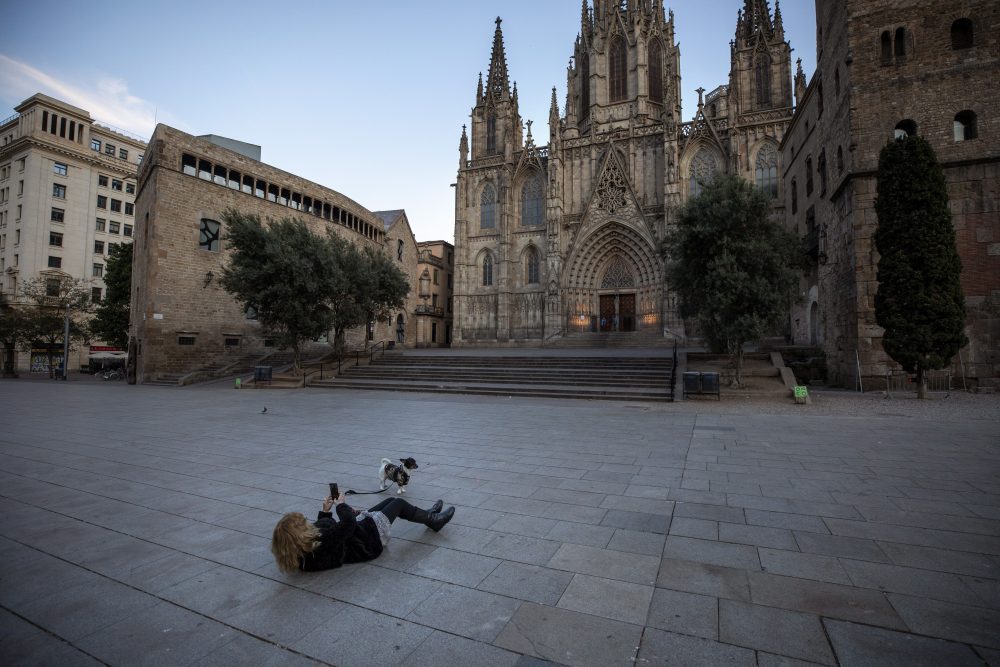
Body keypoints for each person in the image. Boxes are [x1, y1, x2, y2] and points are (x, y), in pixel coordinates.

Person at [271, 492, 455, 573]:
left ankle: (428, 515)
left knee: (391, 500)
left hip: (357, 533)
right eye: (304, 523)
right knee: (398, 504)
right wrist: (341, 505)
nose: (307, 522)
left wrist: (325, 511)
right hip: (368, 540)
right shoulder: (320, 545)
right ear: (298, 535)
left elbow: (327, 529)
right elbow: (345, 526)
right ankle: (433, 521)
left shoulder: (307, 547)